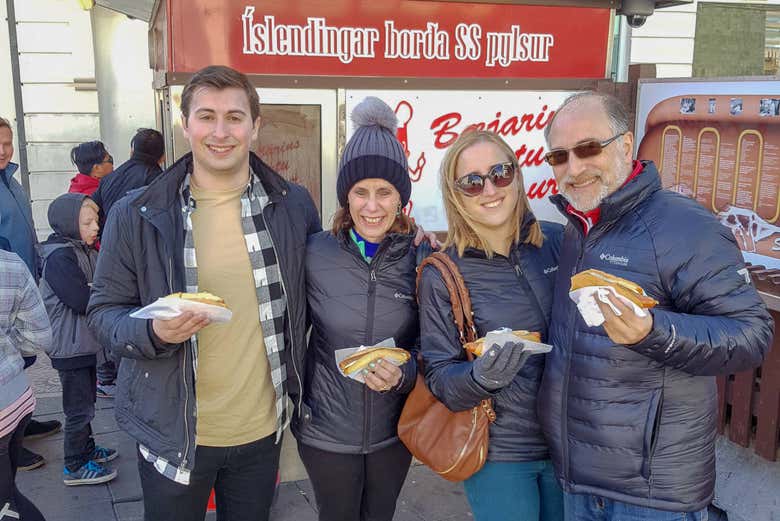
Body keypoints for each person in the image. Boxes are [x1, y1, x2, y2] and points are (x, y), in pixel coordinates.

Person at [87, 65, 321, 521]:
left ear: (255, 126)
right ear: (185, 123)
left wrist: (401, 241)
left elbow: (327, 278)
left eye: (234, 117)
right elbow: (102, 313)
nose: (220, 132)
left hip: (261, 432)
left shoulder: (293, 205)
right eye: (206, 116)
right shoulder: (135, 213)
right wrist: (153, 331)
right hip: (174, 436)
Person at [539, 91, 774, 520]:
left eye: (589, 148)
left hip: (652, 496)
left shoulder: (684, 226)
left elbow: (751, 332)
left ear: (626, 146)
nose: (574, 168)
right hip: (579, 482)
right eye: (559, 155)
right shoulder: (575, 228)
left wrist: (653, 332)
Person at [417, 130, 564, 521]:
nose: (489, 189)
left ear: (517, 176)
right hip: (502, 453)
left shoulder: (559, 242)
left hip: (574, 444)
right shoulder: (442, 273)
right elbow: (440, 377)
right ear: (455, 193)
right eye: (472, 182)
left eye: (500, 173)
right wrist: (481, 378)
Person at [292, 97, 421, 521]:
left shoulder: (419, 259)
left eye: (384, 192)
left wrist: (405, 374)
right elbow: (290, 333)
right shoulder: (314, 252)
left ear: (400, 196)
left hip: (393, 432)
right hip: (326, 431)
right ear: (345, 195)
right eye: (360, 192)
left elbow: (433, 348)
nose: (371, 206)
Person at [38, 194, 118, 485]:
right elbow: (80, 299)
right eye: (87, 222)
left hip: (84, 343)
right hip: (70, 346)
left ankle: (87, 448)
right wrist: (103, 293)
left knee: (87, 402)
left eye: (95, 220)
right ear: (69, 225)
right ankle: (74, 464)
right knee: (78, 408)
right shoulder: (60, 256)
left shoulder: (83, 249)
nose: (95, 226)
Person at [0, 116, 62, 471]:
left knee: (20, 364)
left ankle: (21, 422)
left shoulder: (12, 181)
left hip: (21, 287)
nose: (4, 150)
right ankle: (9, 446)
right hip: (4, 290)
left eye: (8, 142)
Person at [90, 128, 165, 399]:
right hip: (144, 261)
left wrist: (100, 242)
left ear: (132, 150)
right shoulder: (158, 180)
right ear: (162, 156)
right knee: (142, 318)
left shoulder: (110, 178)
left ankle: (116, 379)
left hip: (109, 255)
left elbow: (93, 209)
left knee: (118, 317)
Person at [0, 249, 51, 520]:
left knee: (5, 505)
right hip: (17, 400)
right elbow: (39, 339)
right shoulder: (9, 263)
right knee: (8, 497)